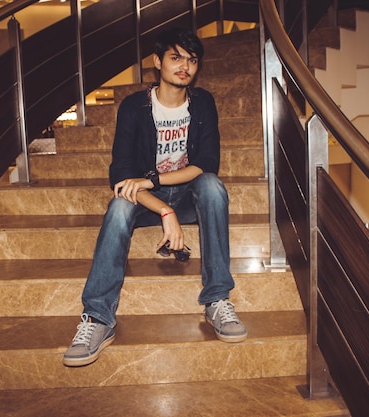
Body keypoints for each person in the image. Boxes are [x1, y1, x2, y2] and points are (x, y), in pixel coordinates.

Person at [63, 27, 247, 367]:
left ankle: (217, 299)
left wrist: (153, 179)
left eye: (191, 60)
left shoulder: (203, 102)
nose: (184, 67)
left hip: (185, 193)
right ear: (157, 61)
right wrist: (164, 210)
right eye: (176, 58)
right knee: (119, 207)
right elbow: (120, 178)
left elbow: (206, 164)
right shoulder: (134, 107)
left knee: (212, 187)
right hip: (149, 203)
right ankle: (98, 318)